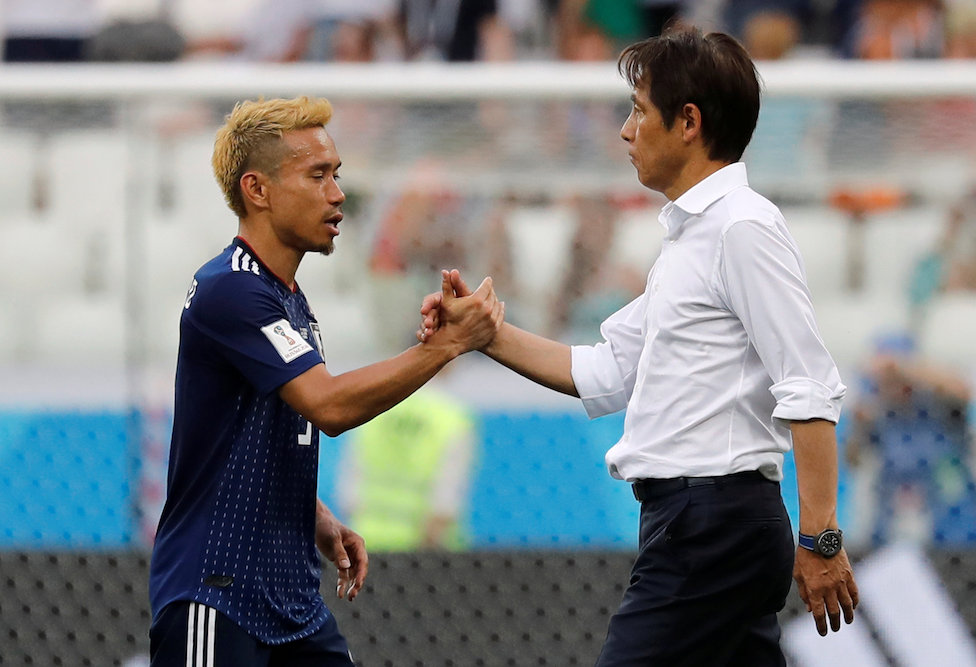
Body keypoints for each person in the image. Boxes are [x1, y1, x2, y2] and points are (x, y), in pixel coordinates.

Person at [422, 26, 859, 665]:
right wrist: (483, 334)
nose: (626, 131)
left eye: (637, 111)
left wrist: (821, 535)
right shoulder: (694, 239)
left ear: (687, 121)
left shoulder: (742, 228)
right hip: (700, 524)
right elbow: (605, 371)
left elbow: (810, 383)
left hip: (713, 525)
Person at [147, 96, 504, 666]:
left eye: (336, 175)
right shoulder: (230, 289)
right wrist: (448, 347)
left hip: (290, 598)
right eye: (317, 176)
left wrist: (313, 515)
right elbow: (329, 407)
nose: (337, 194)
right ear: (257, 190)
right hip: (216, 595)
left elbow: (251, 433)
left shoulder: (286, 299)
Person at [846, 333, 976, 546]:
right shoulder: (879, 411)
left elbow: (963, 392)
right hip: (892, 533)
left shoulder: (938, 400)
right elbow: (853, 459)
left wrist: (901, 366)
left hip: (955, 533)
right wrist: (860, 420)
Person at [337, 382, 477, 551]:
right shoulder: (451, 417)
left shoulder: (370, 407)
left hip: (366, 540)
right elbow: (445, 502)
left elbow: (349, 489)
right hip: (422, 548)